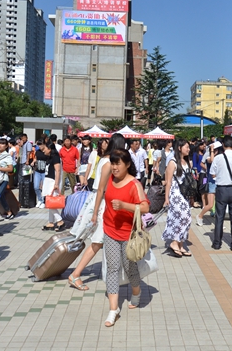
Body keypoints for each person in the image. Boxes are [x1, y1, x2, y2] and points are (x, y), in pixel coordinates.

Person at [69, 135, 127, 291]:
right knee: (98, 241)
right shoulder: (109, 162)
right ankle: (75, 274)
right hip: (101, 203)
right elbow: (101, 188)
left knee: (100, 241)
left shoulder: (105, 159)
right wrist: (95, 213)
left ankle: (106, 274)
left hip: (99, 201)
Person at [101, 148, 149, 327]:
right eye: (112, 163)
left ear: (127, 164)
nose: (114, 167)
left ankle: (136, 292)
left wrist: (124, 206)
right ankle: (113, 310)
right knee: (113, 268)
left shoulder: (134, 184)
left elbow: (145, 208)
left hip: (129, 233)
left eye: (117, 163)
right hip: (109, 229)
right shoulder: (110, 179)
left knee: (130, 268)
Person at [210, 136, 232, 251]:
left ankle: (217, 243)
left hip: (221, 189)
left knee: (219, 217)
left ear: (223, 145)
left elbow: (212, 174)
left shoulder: (218, 158)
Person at [162, 139, 193, 257]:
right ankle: (174, 243)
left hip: (185, 194)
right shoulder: (172, 162)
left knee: (186, 218)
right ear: (179, 148)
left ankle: (180, 244)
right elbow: (168, 182)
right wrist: (166, 198)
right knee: (182, 217)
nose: (188, 149)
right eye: (186, 147)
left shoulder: (187, 162)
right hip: (175, 194)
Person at [40, 141, 65, 231]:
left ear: (50, 149)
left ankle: (60, 220)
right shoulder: (49, 157)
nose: (43, 151)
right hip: (48, 180)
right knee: (49, 202)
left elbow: (58, 171)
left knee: (51, 204)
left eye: (45, 148)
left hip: (53, 182)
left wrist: (56, 184)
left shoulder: (56, 157)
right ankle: (50, 222)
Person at [196, 140, 219, 226]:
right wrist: (212, 150)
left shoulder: (219, 156)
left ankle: (218, 222)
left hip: (218, 182)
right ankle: (200, 216)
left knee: (219, 204)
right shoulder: (208, 156)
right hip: (208, 179)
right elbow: (211, 160)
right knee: (210, 204)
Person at [0, 138, 15, 219]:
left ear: (6, 146)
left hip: (4, 179)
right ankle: (8, 212)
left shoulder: (7, 156)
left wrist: (0, 168)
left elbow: (10, 169)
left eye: (2, 144)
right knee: (1, 196)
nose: (0, 145)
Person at [33, 139, 47, 208]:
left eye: (41, 145)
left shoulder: (46, 152)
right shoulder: (37, 151)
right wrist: (33, 162)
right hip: (37, 171)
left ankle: (44, 201)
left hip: (45, 172)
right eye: (39, 145)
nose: (40, 146)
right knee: (36, 186)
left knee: (44, 187)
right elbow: (35, 158)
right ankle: (39, 199)